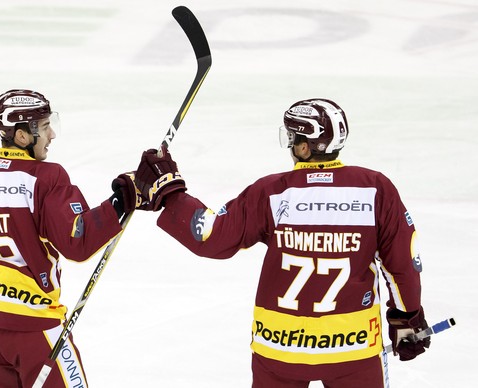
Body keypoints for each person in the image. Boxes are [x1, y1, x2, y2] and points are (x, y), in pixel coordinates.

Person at [132, 98, 430, 387]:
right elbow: (402, 263)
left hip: (279, 347)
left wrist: (169, 191)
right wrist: (407, 318)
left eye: (292, 137)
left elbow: (211, 237)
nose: (289, 145)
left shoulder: (271, 192)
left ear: (304, 146)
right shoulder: (374, 189)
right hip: (352, 350)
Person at [0, 89, 140, 388]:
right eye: (45, 127)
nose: (51, 135)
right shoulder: (45, 177)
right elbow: (77, 240)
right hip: (31, 326)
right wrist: (124, 199)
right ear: (22, 137)